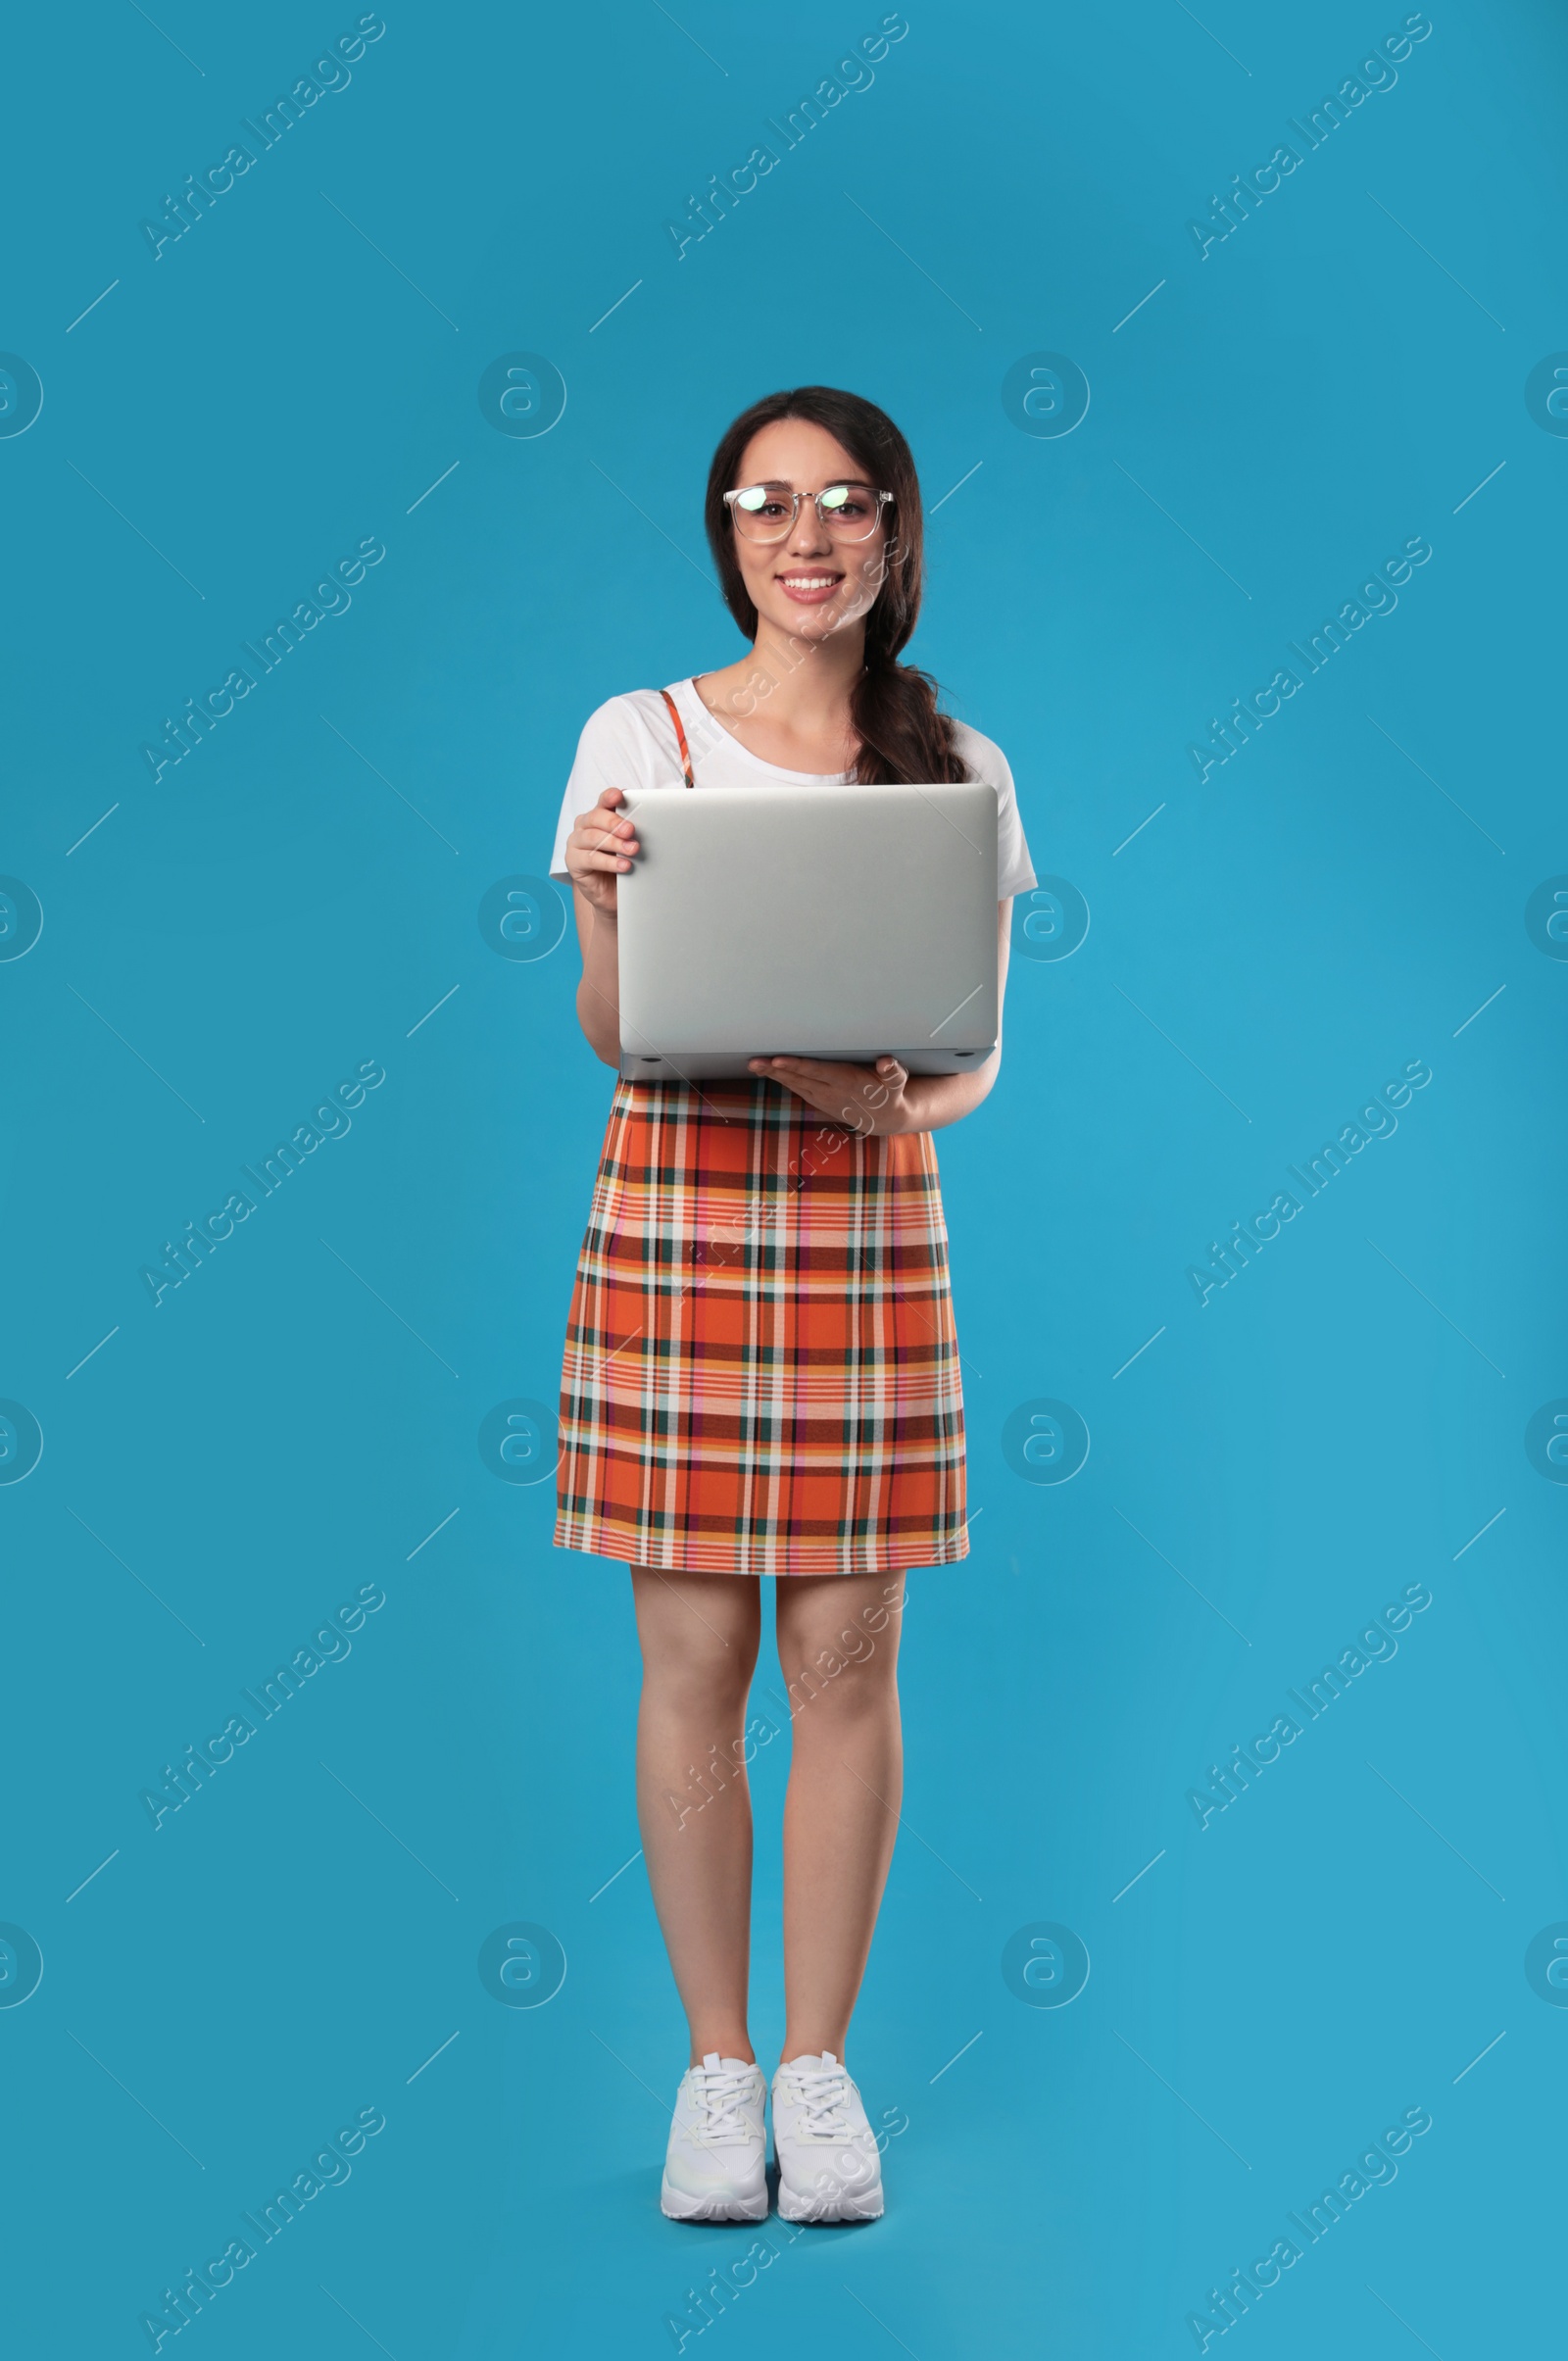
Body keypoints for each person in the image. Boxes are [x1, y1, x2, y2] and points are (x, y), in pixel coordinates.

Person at [550, 385, 1035, 2224]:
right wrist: (602, 906)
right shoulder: (639, 731)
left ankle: (821, 2076)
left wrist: (887, 1100)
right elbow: (615, 1032)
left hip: (866, 1221)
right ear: (729, 534)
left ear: (897, 534)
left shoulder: (958, 761)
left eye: (846, 504)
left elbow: (975, 1056)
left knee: (847, 1662)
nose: (808, 536)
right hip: (675, 1218)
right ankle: (713, 2070)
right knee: (695, 1663)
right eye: (770, 505)